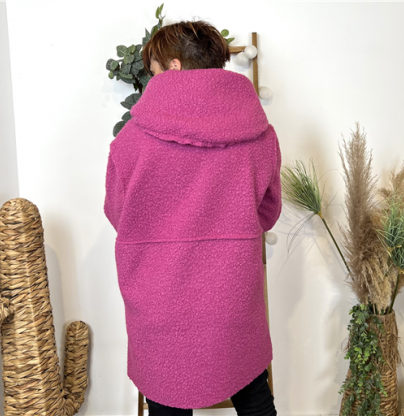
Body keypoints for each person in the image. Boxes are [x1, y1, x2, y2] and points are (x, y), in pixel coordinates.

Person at [104, 19, 281, 415]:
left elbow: (118, 214)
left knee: (166, 395)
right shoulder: (260, 134)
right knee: (252, 391)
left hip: (159, 295)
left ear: (174, 67)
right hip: (232, 290)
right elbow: (268, 211)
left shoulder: (131, 141)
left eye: (153, 71)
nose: (151, 82)